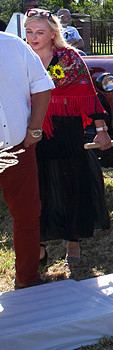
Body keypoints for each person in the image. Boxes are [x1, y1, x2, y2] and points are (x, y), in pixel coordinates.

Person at [24, 11, 111, 265]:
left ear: (53, 33)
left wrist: (101, 129)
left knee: (71, 184)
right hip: (32, 131)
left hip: (65, 130)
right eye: (29, 32)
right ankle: (37, 244)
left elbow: (87, 93)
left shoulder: (69, 58)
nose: (33, 37)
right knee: (35, 187)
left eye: (39, 32)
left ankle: (73, 241)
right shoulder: (22, 57)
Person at [0, 29, 54, 289]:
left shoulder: (14, 45)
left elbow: (42, 85)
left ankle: (28, 279)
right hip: (16, 145)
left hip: (17, 147)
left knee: (28, 214)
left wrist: (35, 128)